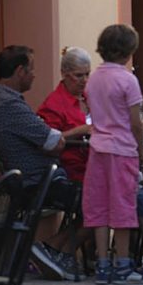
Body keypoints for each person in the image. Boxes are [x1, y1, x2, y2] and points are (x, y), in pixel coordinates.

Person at [0, 45, 80, 281]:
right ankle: (51, 248)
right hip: (37, 183)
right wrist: (82, 130)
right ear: (20, 71)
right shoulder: (10, 106)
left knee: (94, 196)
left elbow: (46, 138)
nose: (35, 74)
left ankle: (55, 251)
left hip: (33, 180)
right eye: (32, 69)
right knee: (99, 202)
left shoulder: (3, 101)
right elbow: (53, 142)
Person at [83, 24, 143, 284]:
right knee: (122, 205)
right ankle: (122, 264)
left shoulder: (94, 78)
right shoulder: (128, 79)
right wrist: (141, 149)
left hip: (97, 147)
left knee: (98, 206)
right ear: (128, 50)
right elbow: (136, 122)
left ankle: (101, 263)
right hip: (121, 149)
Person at [37, 46, 93, 184]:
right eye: (79, 75)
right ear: (64, 74)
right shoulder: (53, 104)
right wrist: (80, 131)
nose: (85, 80)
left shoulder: (90, 98)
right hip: (74, 172)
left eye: (87, 74)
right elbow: (45, 142)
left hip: (98, 164)